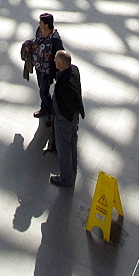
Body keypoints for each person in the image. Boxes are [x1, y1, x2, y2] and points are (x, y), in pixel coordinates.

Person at [22, 13, 64, 127]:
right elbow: (36, 40)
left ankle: (51, 113)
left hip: (47, 71)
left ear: (46, 24)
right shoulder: (39, 30)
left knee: (43, 92)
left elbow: (60, 54)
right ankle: (44, 109)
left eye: (41, 22)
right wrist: (29, 44)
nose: (39, 24)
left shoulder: (55, 39)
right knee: (42, 89)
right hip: (38, 67)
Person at [50, 51, 84, 187]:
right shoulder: (74, 70)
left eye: (56, 60)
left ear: (62, 64)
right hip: (73, 117)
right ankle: (73, 167)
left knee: (63, 148)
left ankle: (65, 179)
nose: (54, 60)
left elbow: (68, 100)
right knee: (72, 141)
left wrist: (60, 114)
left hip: (64, 119)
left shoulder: (65, 83)